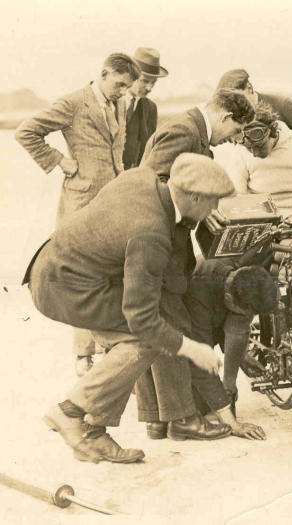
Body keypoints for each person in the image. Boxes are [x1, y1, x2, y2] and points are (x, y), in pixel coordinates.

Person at [23, 153, 235, 463]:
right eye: (213, 201)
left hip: (62, 265)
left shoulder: (144, 177)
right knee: (147, 338)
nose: (214, 210)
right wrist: (192, 349)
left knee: (133, 340)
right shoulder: (150, 233)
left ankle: (93, 435)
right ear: (195, 196)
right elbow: (142, 319)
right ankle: (69, 412)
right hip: (64, 286)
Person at [15, 53, 141, 377]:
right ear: (103, 73)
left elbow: (118, 151)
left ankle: (111, 349)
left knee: (112, 274)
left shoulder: (121, 105)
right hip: (81, 204)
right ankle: (83, 358)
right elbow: (27, 132)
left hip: (113, 203)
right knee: (82, 278)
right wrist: (61, 161)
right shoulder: (72, 103)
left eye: (127, 87)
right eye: (119, 84)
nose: (123, 92)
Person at [137, 259, 277, 441]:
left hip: (169, 328)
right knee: (199, 404)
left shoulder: (238, 279)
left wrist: (240, 357)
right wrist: (233, 424)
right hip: (155, 334)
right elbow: (199, 364)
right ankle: (166, 417)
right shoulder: (198, 294)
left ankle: (161, 416)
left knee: (206, 403)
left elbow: (228, 325)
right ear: (229, 299)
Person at [205, 101, 292, 232]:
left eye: (259, 147)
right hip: (264, 228)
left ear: (273, 131)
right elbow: (237, 200)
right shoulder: (239, 153)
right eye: (248, 148)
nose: (254, 154)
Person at [141, 88, 255, 180]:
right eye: (236, 131)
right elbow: (152, 183)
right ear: (226, 117)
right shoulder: (184, 131)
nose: (233, 140)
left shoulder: (195, 129)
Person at [123, 47, 168, 170]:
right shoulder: (112, 101)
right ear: (130, 74)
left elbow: (148, 150)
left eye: (153, 83)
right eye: (144, 81)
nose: (149, 88)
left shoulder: (151, 108)